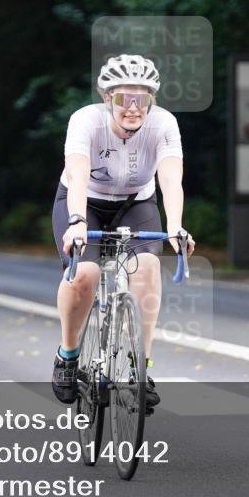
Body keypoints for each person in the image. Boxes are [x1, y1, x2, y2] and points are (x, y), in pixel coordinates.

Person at [50, 54, 195, 411]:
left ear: (151, 100)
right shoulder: (85, 121)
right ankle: (67, 358)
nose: (133, 108)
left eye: (141, 99)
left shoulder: (164, 124)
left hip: (136, 203)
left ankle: (138, 370)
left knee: (146, 269)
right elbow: (79, 174)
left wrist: (175, 226)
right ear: (107, 99)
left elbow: (170, 179)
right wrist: (77, 222)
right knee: (85, 272)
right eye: (123, 100)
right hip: (85, 203)